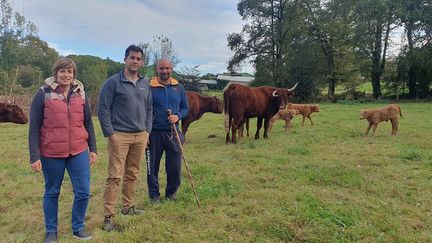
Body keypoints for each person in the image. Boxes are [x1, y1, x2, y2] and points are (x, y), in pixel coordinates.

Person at [28, 57, 97, 243]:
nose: (66, 75)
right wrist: (34, 157)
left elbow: (88, 123)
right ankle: (51, 232)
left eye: (69, 72)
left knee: (83, 191)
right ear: (55, 73)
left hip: (78, 150)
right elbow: (34, 126)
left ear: (74, 74)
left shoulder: (81, 94)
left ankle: (78, 228)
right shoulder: (42, 94)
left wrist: (93, 148)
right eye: (62, 71)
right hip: (51, 153)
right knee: (52, 192)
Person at [98, 45, 153, 232]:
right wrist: (110, 134)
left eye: (138, 58)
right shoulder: (113, 82)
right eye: (132, 58)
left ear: (142, 62)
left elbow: (150, 109)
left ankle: (128, 207)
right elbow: (103, 109)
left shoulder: (146, 84)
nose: (135, 61)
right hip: (119, 135)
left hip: (140, 135)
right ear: (125, 59)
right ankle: (108, 217)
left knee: (133, 173)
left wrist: (147, 130)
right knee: (115, 176)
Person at [147, 58, 189, 204]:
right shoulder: (149, 87)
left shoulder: (179, 88)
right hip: (154, 133)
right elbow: (144, 109)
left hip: (173, 132)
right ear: (157, 70)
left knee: (175, 167)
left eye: (167, 68)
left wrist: (178, 116)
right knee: (152, 167)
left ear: (172, 69)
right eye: (161, 68)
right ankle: (154, 196)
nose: (164, 71)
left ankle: (171, 193)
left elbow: (185, 108)